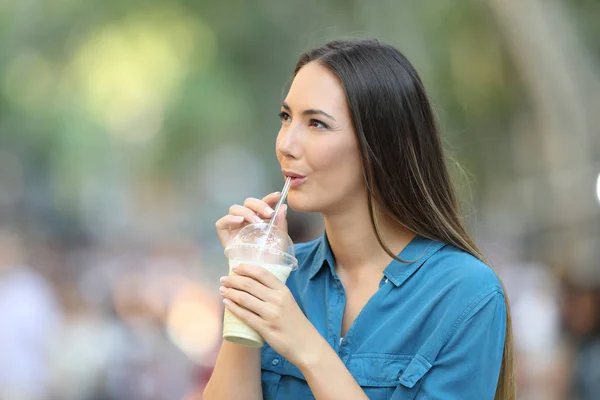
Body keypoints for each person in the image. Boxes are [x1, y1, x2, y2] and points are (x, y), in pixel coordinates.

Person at [203, 39, 515, 400]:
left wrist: (307, 347)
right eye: (286, 117)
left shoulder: (465, 292)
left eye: (316, 123)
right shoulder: (283, 277)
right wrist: (252, 273)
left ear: (380, 144)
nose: (287, 143)